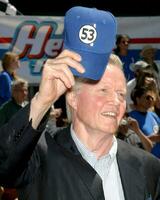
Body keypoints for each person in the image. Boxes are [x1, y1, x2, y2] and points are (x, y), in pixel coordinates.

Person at [0, 6, 160, 200]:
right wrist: (42, 100)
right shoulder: (39, 158)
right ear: (73, 98)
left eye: (120, 93)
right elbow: (4, 164)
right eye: (104, 91)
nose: (116, 102)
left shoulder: (148, 166)